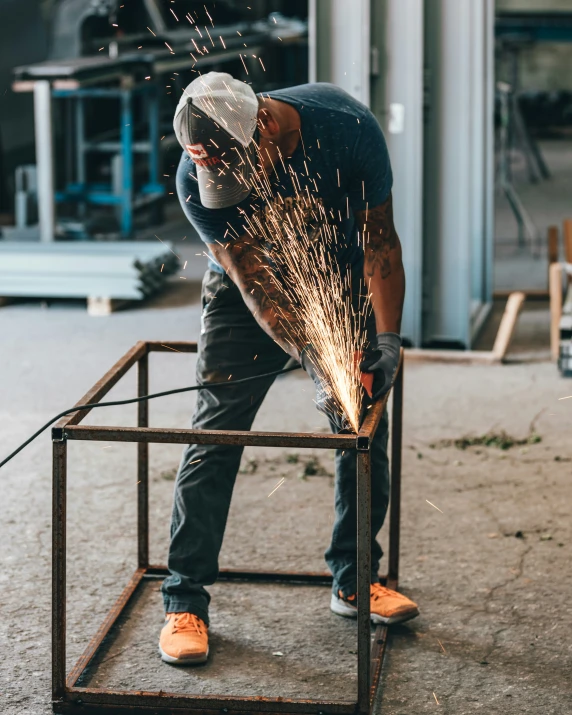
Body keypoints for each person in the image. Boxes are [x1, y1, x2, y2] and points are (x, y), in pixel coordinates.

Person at [158, 72, 419, 665]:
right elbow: (256, 286)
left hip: (336, 278)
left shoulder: (348, 129)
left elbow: (381, 240)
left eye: (240, 170)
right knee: (216, 431)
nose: (231, 184)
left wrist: (387, 339)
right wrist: (318, 363)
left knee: (362, 428)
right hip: (247, 292)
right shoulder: (194, 180)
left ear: (266, 125)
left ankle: (355, 581)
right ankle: (184, 599)